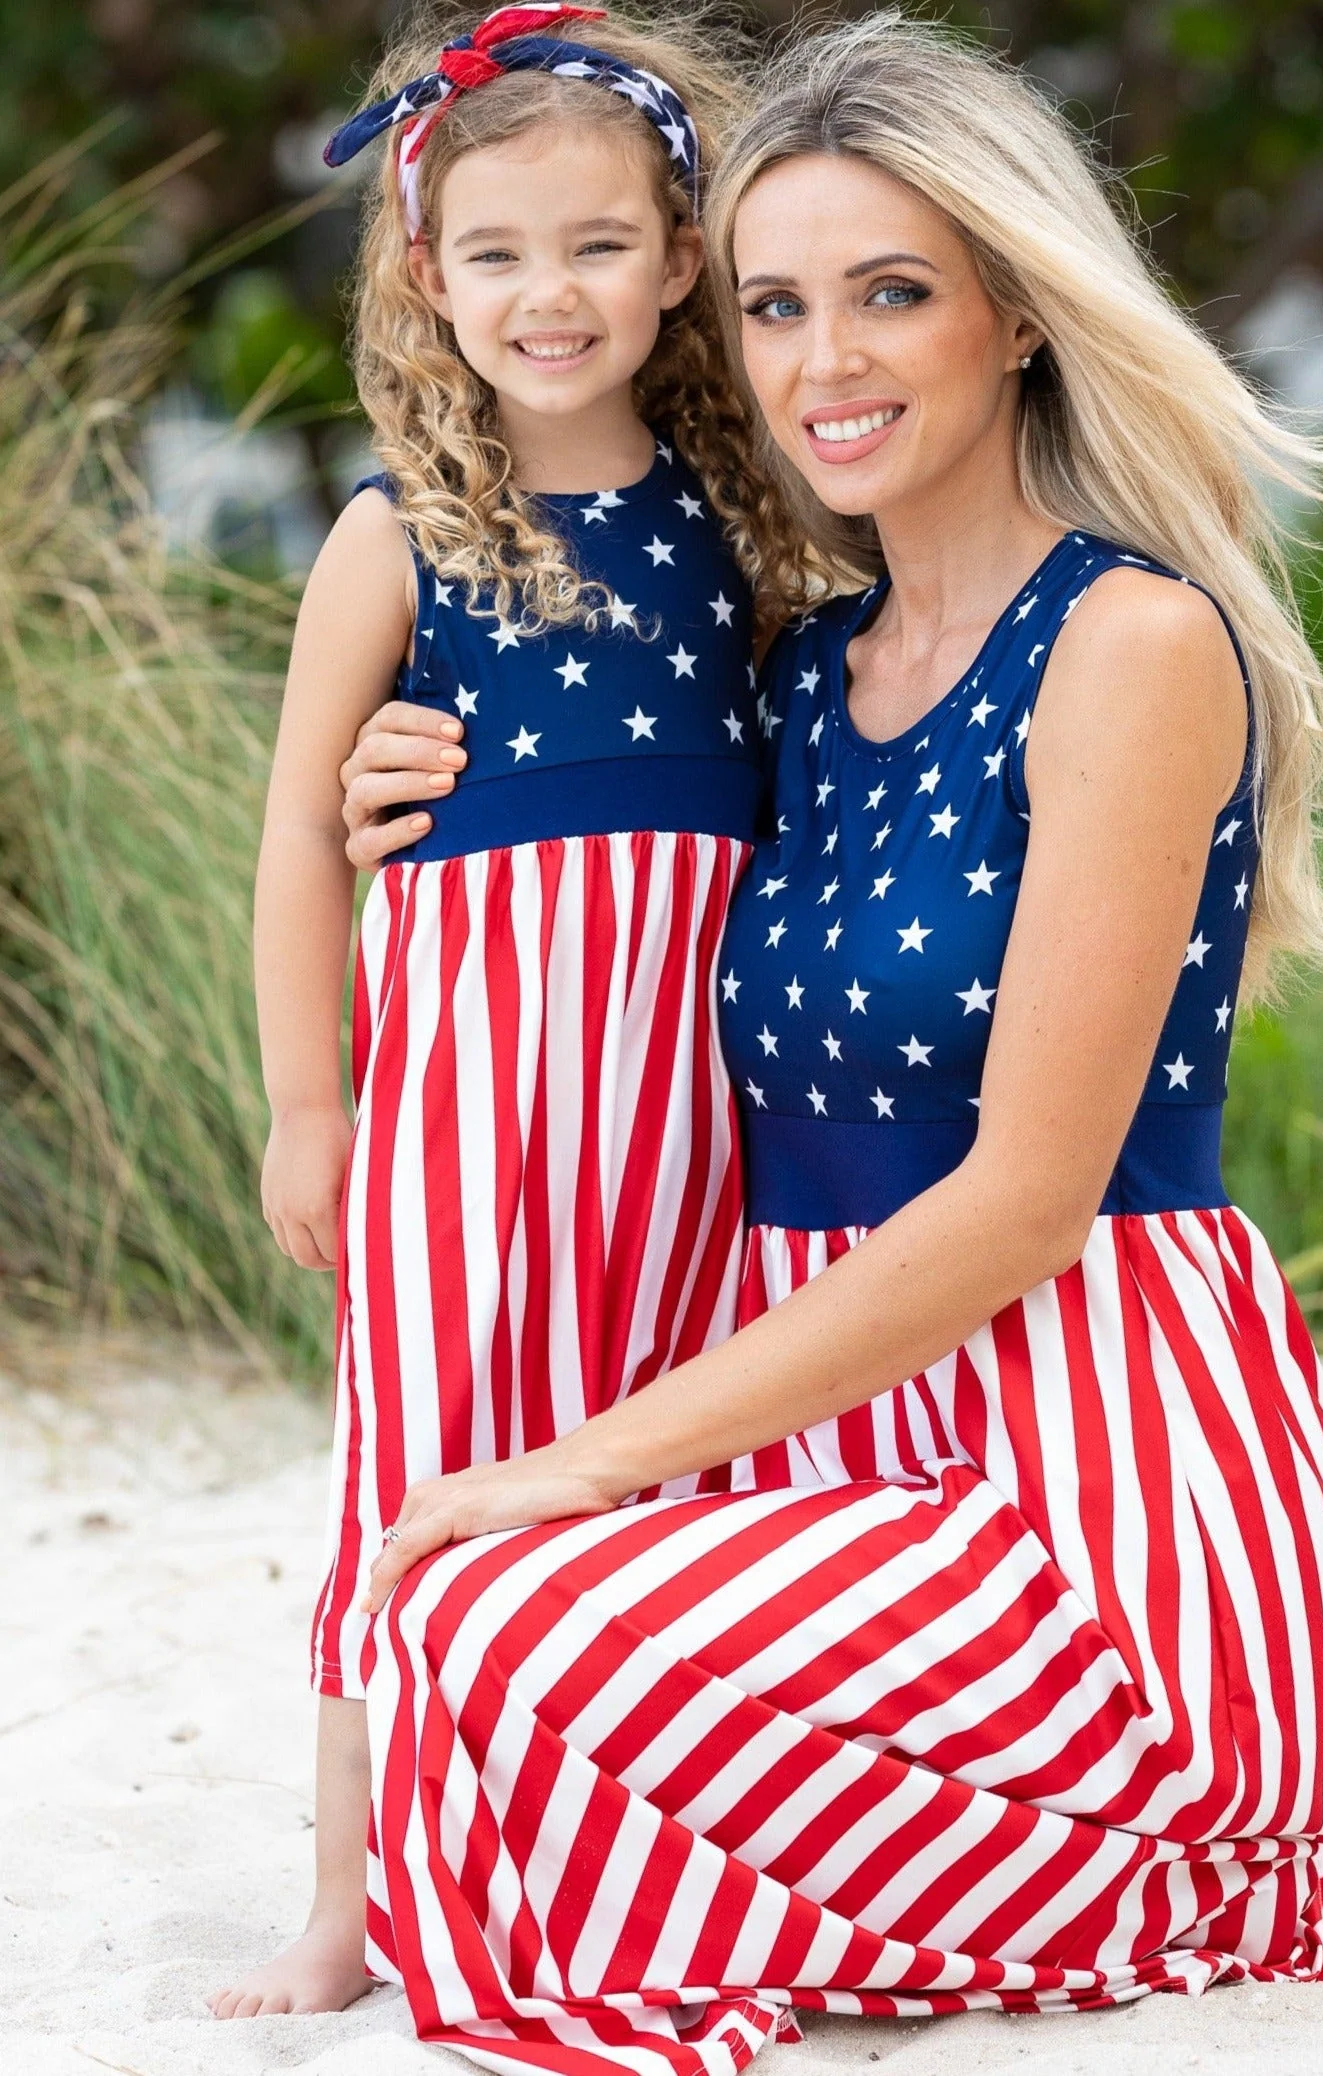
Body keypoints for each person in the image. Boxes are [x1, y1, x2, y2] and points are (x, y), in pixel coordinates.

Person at [340, 15, 1323, 2072]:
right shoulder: (806, 672)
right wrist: (402, 778)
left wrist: (574, 1468)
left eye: (891, 292)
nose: (824, 360)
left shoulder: (1132, 644)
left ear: (1014, 313)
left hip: (1097, 1521)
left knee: (486, 1617)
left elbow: (1021, 1209)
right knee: (438, 1643)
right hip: (848, 1493)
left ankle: (1119, 1860)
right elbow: (589, 792)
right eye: (772, 305)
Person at [207, 2, 822, 2021]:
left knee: (668, 1454)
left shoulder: (756, 532)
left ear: (675, 260)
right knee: (419, 1462)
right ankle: (346, 1898)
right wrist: (314, 1105)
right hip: (469, 1100)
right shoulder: (402, 533)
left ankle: (611, 1847)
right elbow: (303, 832)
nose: (545, 294)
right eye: (495, 254)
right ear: (426, 274)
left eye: (592, 247)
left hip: (689, 1100)